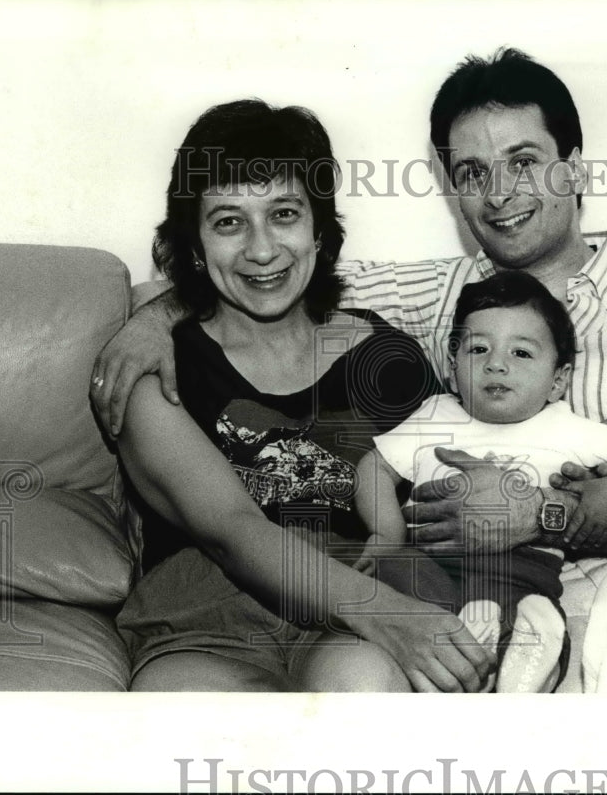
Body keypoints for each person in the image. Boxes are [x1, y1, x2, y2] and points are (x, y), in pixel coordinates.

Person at [94, 48, 607, 693]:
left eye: (523, 162)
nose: (499, 194)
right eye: (473, 172)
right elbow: (270, 276)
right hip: (472, 594)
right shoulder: (436, 298)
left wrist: (541, 516)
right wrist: (152, 317)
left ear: (575, 168)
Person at [112, 98, 496, 693]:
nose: (261, 250)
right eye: (228, 221)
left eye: (284, 213)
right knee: (185, 719)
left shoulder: (387, 358)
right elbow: (234, 533)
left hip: (355, 627)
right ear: (194, 244)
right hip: (204, 623)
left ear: (320, 228)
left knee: (361, 691)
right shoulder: (154, 369)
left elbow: (446, 500)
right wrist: (387, 614)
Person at [355, 270, 607, 693]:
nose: (496, 363)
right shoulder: (436, 413)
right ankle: (465, 649)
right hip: (430, 553)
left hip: (521, 563)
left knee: (527, 608)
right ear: (451, 365)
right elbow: (374, 466)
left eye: (521, 353)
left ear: (558, 380)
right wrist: (386, 531)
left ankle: (526, 658)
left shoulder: (564, 425)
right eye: (478, 348)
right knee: (391, 575)